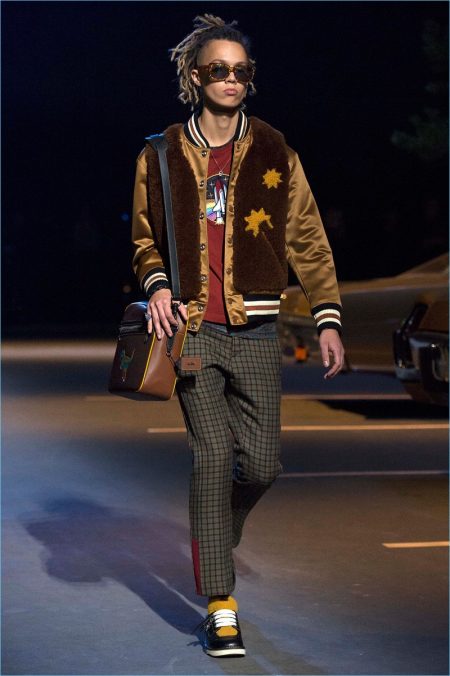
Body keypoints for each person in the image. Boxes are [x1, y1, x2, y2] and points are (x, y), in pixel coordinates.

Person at [131, 14, 345, 658]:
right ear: (194, 77)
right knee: (212, 457)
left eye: (240, 70)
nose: (230, 79)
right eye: (217, 69)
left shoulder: (277, 151)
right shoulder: (161, 153)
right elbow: (144, 237)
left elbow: (308, 239)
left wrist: (327, 317)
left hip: (256, 328)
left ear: (250, 79)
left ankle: (214, 536)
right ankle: (221, 606)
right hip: (192, 329)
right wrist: (158, 286)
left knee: (263, 464)